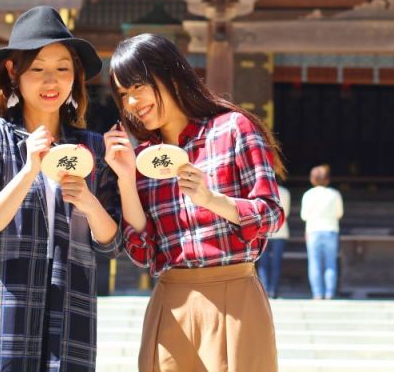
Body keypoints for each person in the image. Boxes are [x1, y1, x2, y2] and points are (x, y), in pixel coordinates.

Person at [102, 33, 285, 372]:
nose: (131, 103)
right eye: (123, 94)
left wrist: (210, 199)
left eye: (138, 87)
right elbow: (143, 252)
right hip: (171, 300)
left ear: (171, 75)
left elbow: (272, 214)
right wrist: (125, 179)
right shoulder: (142, 160)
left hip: (236, 298)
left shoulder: (232, 129)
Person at [0, 5, 122, 372]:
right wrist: (30, 168)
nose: (52, 82)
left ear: (75, 74)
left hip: (71, 309)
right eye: (38, 69)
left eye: (62, 69)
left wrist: (88, 202)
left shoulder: (92, 147)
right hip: (4, 308)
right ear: (14, 72)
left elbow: (111, 242)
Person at [300, 164, 344, 300]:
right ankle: (330, 293)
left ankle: (317, 293)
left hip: (313, 230)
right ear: (327, 179)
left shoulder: (308, 195)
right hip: (330, 230)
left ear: (312, 179)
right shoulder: (334, 194)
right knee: (331, 262)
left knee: (314, 263)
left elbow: (304, 216)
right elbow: (339, 213)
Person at [258, 179, 291, 298]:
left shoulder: (261, 190)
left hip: (264, 230)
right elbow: (285, 212)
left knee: (263, 263)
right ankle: (274, 290)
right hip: (280, 230)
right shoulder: (285, 192)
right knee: (276, 263)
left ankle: (265, 290)